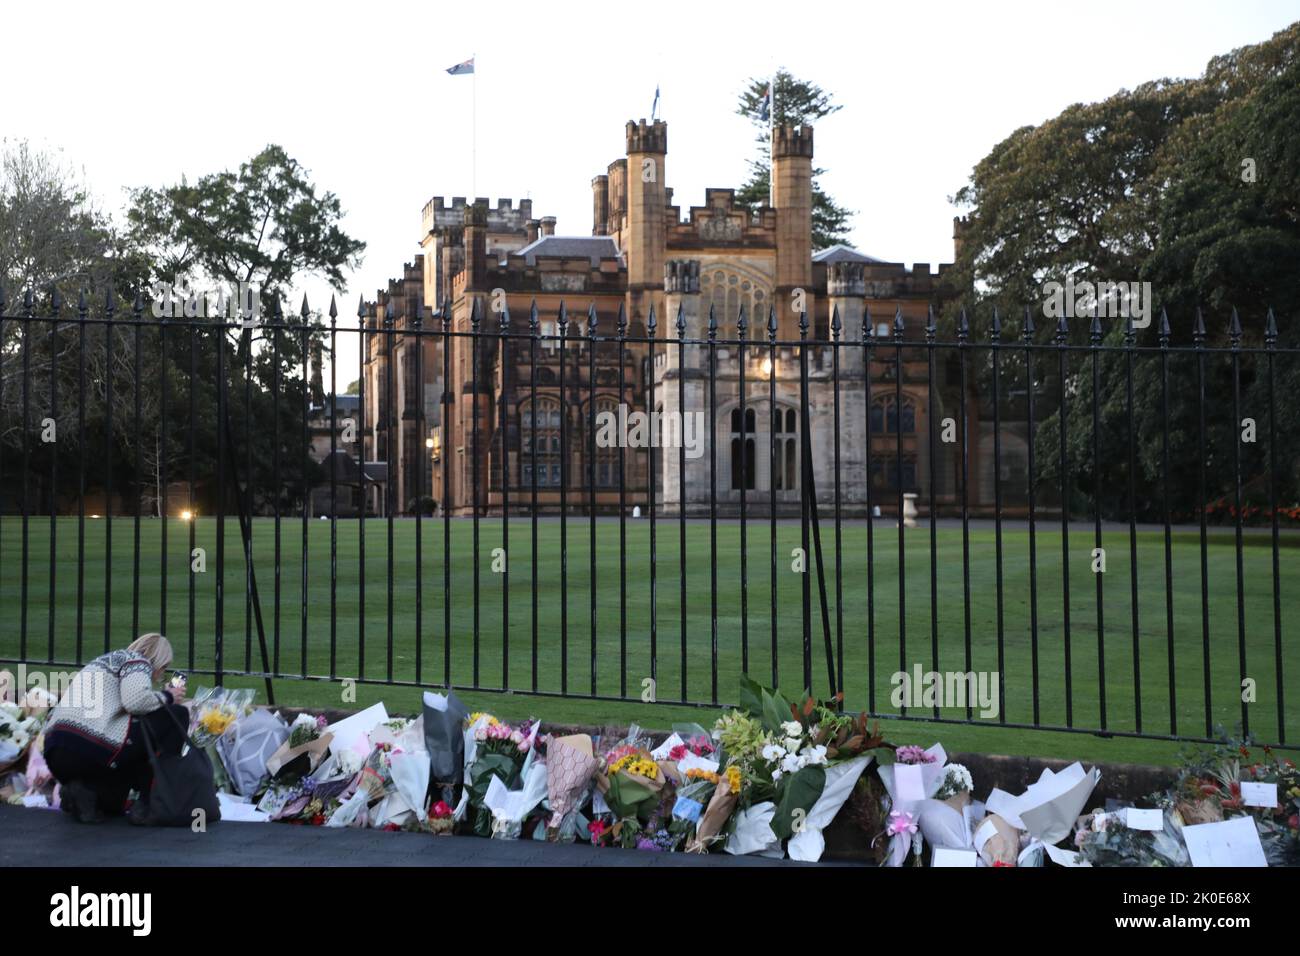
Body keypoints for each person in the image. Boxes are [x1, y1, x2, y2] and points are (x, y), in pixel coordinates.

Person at [42, 633, 189, 823]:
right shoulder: (137, 661)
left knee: (113, 805)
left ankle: (85, 793)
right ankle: (151, 801)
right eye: (164, 667)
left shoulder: (103, 662)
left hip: (57, 752)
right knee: (176, 714)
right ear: (157, 660)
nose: (162, 674)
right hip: (90, 748)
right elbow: (136, 702)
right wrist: (168, 697)